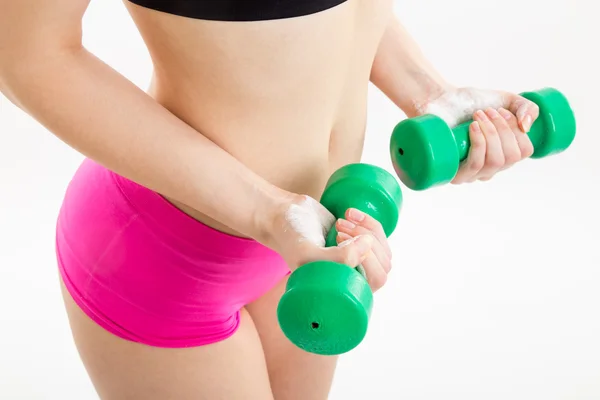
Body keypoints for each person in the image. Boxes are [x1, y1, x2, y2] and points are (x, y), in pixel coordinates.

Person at [0, 0, 540, 399]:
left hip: (307, 239)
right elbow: (27, 58)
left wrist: (432, 96)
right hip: (166, 256)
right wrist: (266, 211)